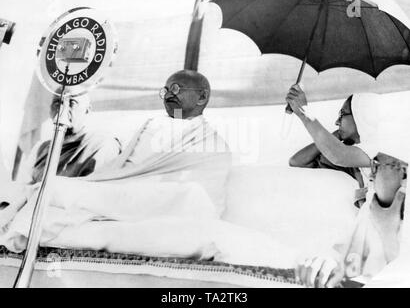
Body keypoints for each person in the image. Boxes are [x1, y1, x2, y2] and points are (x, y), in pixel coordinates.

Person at [0, 70, 233, 255]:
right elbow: (122, 171)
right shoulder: (152, 125)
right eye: (165, 90)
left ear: (202, 96)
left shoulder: (213, 142)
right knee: (52, 188)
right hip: (131, 194)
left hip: (170, 198)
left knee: (191, 194)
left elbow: (205, 194)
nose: (169, 94)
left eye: (177, 88)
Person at [295, 152, 407, 288]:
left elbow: (338, 154)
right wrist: (331, 264)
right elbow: (296, 162)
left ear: (404, 174)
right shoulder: (370, 203)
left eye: (378, 167)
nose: (371, 175)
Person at [18, 93, 122, 184]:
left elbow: (95, 191)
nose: (62, 110)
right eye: (57, 103)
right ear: (50, 111)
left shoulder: (101, 144)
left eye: (72, 102)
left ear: (87, 110)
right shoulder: (41, 148)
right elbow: (24, 187)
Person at [289, 95, 365, 196]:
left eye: (342, 114)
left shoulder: (379, 153)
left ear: (360, 115)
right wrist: (333, 137)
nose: (337, 122)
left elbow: (338, 157)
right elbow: (297, 162)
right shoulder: (345, 155)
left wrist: (303, 112)